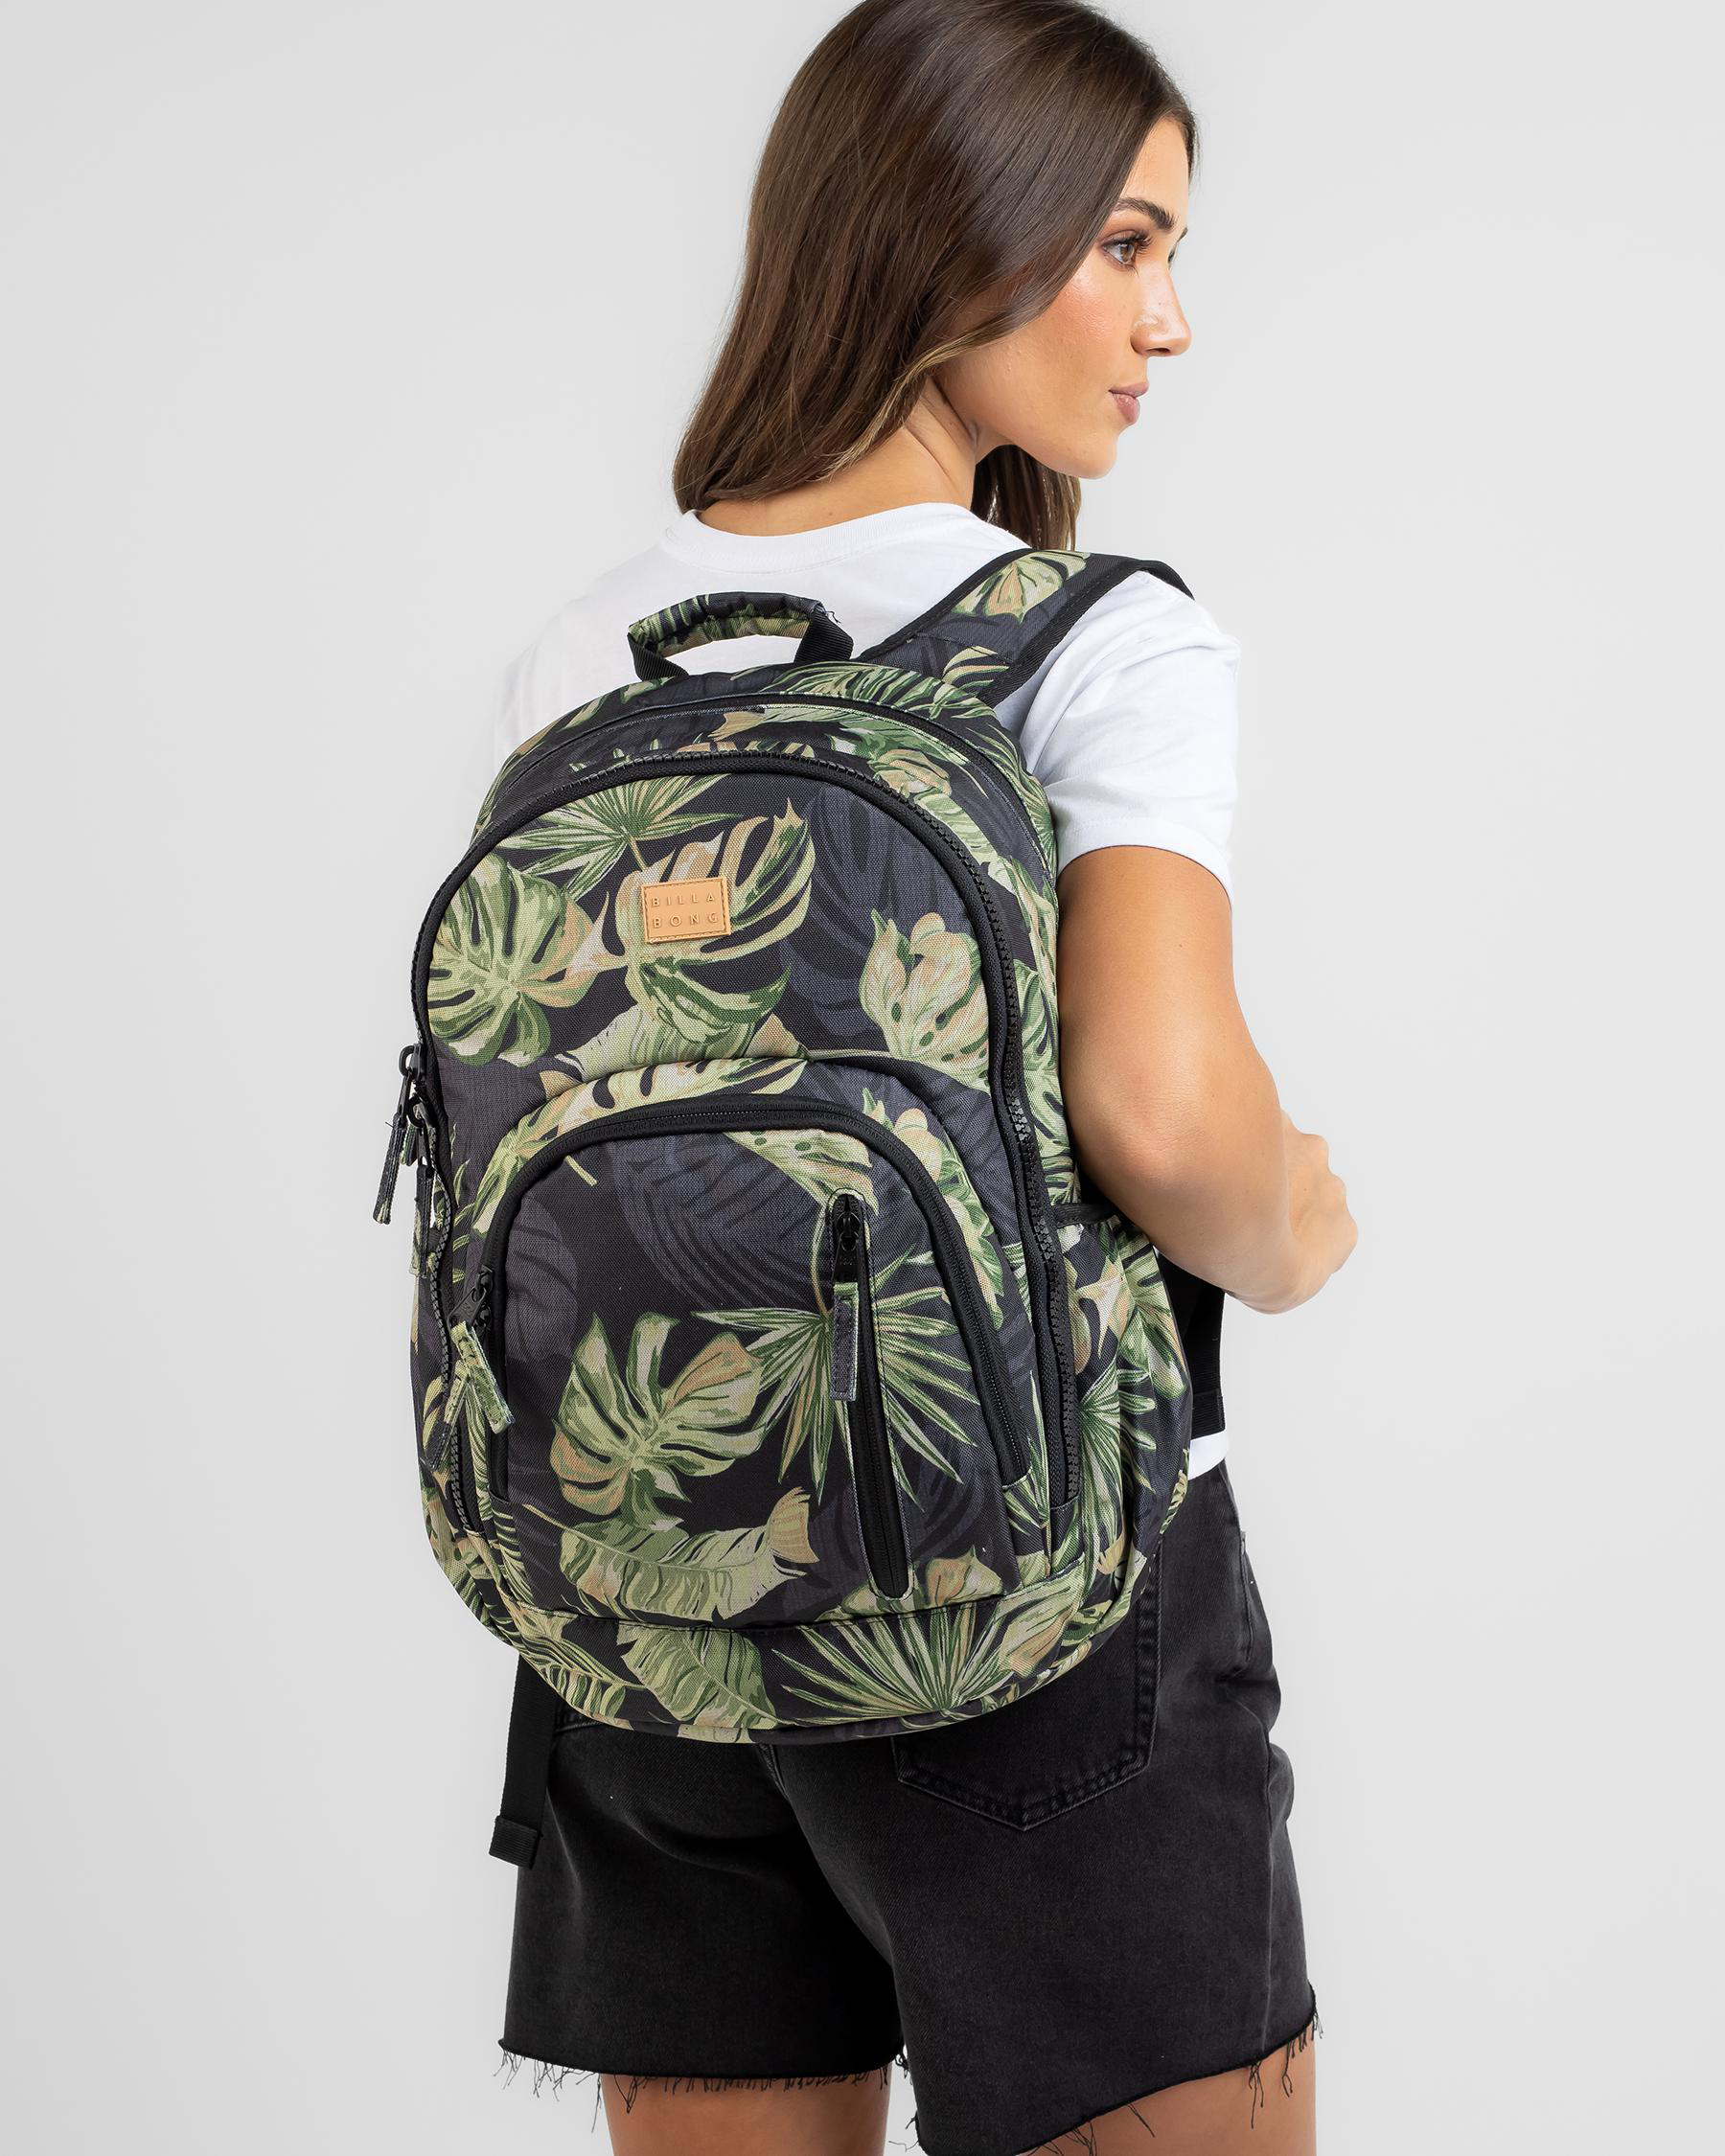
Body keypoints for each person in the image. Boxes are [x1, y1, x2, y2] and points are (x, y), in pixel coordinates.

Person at [482, 5, 1355, 2150]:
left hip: (643, 1588)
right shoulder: (1093, 639)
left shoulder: (583, 660)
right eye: (1127, 244)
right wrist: (1300, 1217)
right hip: (1032, 1592)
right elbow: (1168, 1122)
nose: (1168, 321)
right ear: (960, 232)